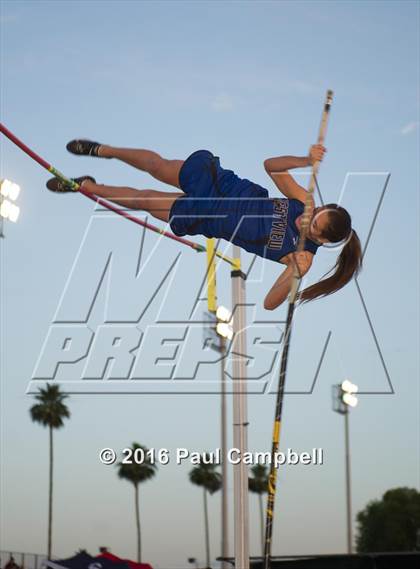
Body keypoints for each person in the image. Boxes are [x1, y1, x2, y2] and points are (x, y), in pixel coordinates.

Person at [46, 141, 362, 309]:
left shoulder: (300, 257)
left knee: (145, 199)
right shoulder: (303, 201)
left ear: (320, 240)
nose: (305, 218)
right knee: (157, 166)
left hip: (209, 217)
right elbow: (271, 167)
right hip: (222, 186)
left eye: (312, 225)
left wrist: (293, 273)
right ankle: (104, 150)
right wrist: (304, 161)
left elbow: (269, 304)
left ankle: (86, 186)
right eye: (315, 211)